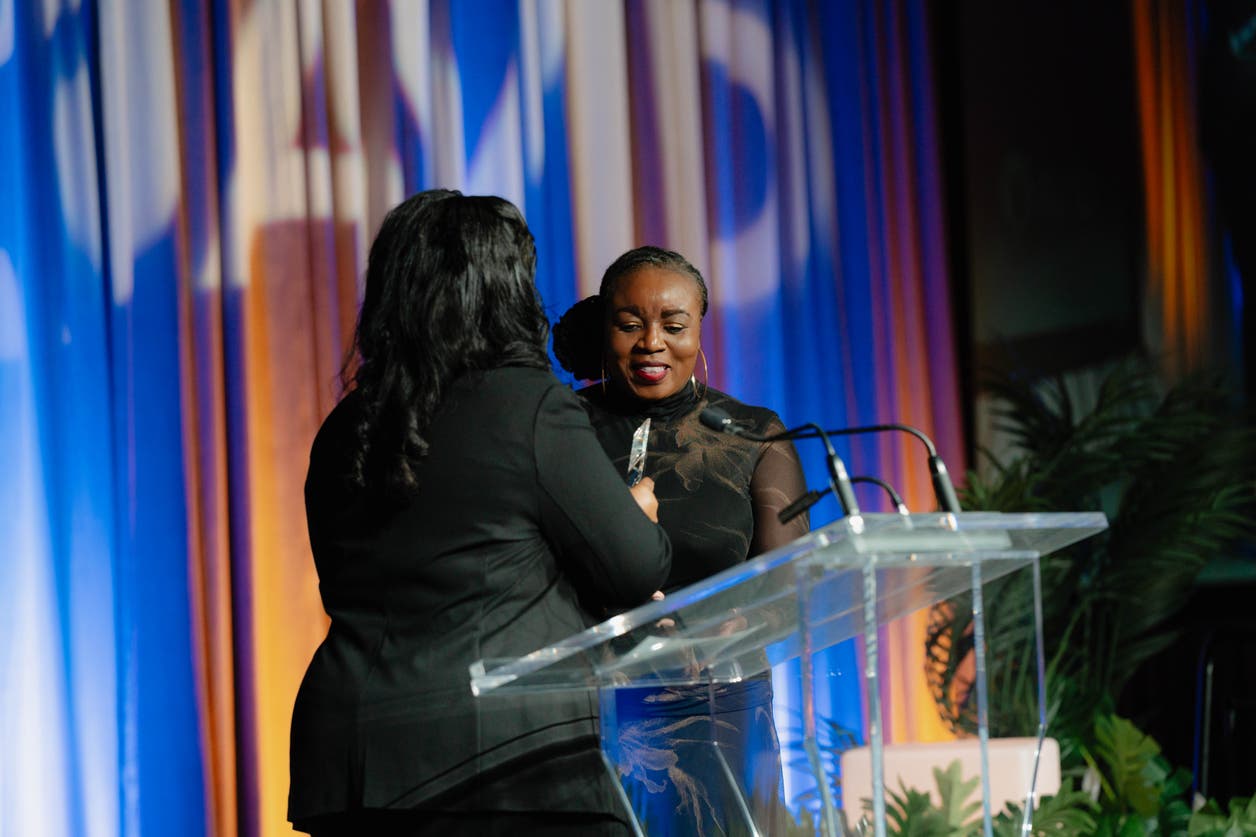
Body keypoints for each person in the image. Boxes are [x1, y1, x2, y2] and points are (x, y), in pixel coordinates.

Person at [288, 191, 672, 837]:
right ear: (505, 291)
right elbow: (635, 569)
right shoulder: (529, 405)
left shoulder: (343, 428)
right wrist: (637, 513)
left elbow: (341, 585)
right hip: (509, 764)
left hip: (352, 766)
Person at [552, 245, 810, 836]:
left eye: (674, 325)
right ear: (605, 328)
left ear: (699, 329)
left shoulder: (751, 433)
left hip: (721, 709)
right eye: (630, 324)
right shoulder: (559, 429)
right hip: (585, 710)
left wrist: (727, 621)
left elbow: (791, 578)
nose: (651, 343)